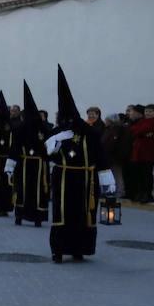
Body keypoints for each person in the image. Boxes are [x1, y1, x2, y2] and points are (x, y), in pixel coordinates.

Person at [46, 67, 115, 263]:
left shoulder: (90, 133)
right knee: (62, 214)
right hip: (63, 179)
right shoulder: (58, 132)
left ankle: (80, 249)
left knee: (84, 215)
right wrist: (57, 139)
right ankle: (58, 250)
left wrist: (106, 178)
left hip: (87, 180)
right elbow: (47, 153)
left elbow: (100, 156)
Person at [6, 82, 50, 228]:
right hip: (24, 164)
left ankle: (38, 217)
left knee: (38, 192)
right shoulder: (20, 129)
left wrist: (50, 160)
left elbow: (50, 145)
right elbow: (15, 147)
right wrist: (10, 164)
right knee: (22, 190)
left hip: (39, 166)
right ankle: (20, 215)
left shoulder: (43, 130)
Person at [126, 104, 154, 203]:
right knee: (139, 175)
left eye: (150, 112)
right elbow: (134, 130)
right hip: (138, 153)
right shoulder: (142, 121)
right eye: (146, 111)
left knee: (147, 175)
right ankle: (140, 193)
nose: (148, 113)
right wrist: (143, 133)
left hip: (149, 152)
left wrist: (142, 132)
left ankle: (147, 194)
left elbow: (141, 130)